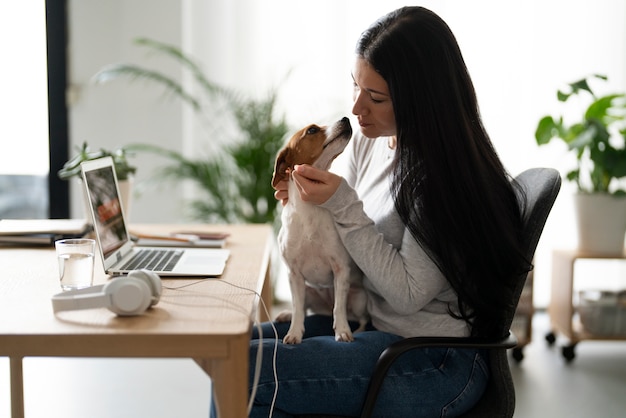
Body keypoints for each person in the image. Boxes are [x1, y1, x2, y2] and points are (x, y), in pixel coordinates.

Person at [244, 6, 530, 417]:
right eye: (356, 87)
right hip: (375, 325)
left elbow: (409, 295)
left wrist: (340, 204)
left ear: (420, 101)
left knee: (248, 370)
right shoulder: (369, 140)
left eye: (376, 98)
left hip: (431, 359)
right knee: (234, 347)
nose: (357, 108)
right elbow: (354, 243)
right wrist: (311, 214)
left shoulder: (440, 178)